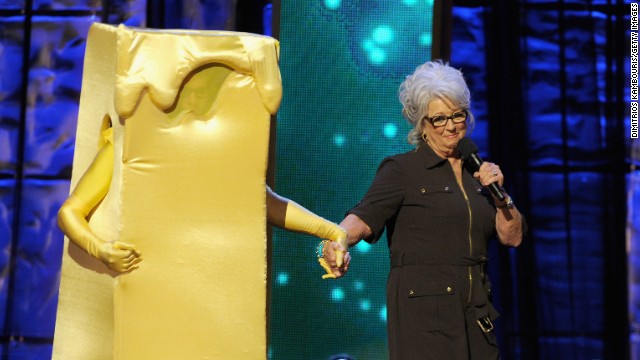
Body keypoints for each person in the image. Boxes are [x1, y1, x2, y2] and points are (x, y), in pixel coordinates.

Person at [323, 60, 525, 359]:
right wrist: (336, 239)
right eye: (439, 119)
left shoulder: (478, 173)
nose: (451, 126)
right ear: (422, 125)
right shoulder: (403, 170)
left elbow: (513, 237)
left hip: (476, 312)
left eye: (457, 115)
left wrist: (500, 196)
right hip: (425, 317)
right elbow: (364, 217)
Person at [57, 125, 348, 277]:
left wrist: (332, 232)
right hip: (143, 282)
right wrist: (101, 249)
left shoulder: (218, 150)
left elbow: (269, 204)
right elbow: (70, 211)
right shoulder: (126, 147)